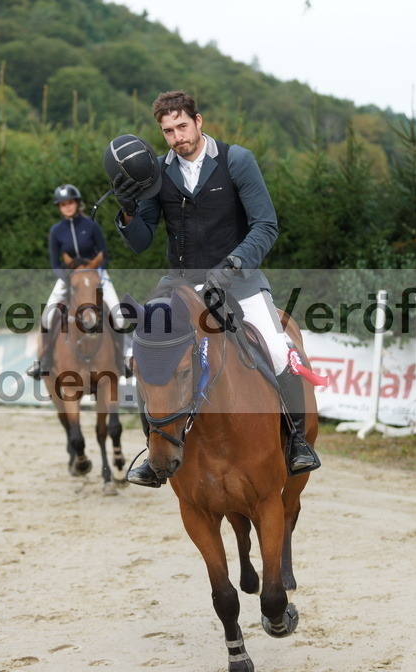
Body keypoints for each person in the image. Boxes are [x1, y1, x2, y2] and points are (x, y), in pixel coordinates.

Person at [112, 90, 321, 487]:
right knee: (147, 354)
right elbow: (140, 240)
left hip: (239, 281)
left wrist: (232, 265)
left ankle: (296, 441)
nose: (177, 137)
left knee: (278, 350)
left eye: (182, 126)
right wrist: (126, 211)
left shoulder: (236, 160)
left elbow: (266, 226)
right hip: (182, 286)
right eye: (168, 131)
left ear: (199, 121)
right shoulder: (158, 172)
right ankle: (155, 454)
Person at [26, 184, 126, 380]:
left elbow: (104, 255)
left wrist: (92, 272)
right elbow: (55, 264)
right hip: (69, 278)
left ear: (77, 203)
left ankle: (122, 360)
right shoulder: (56, 231)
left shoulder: (91, 226)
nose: (67, 207)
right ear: (60, 208)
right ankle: (43, 362)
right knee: (47, 317)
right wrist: (70, 278)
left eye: (70, 203)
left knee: (119, 315)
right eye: (63, 204)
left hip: (96, 276)